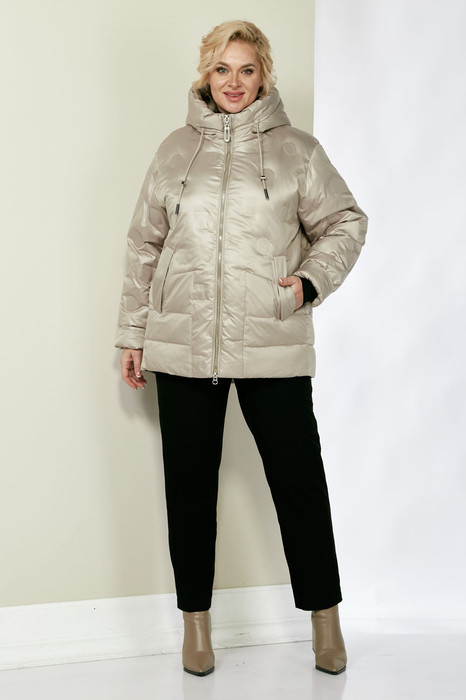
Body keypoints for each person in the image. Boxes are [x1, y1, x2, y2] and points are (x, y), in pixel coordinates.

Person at [115, 20, 368, 677]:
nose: (234, 82)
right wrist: (133, 334)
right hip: (182, 342)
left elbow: (345, 221)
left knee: (299, 484)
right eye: (222, 69)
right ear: (206, 74)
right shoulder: (174, 151)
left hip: (270, 339)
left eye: (247, 70)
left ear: (264, 76)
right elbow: (144, 245)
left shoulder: (297, 151)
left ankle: (326, 621)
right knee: (188, 490)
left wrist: (307, 283)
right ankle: (195, 626)